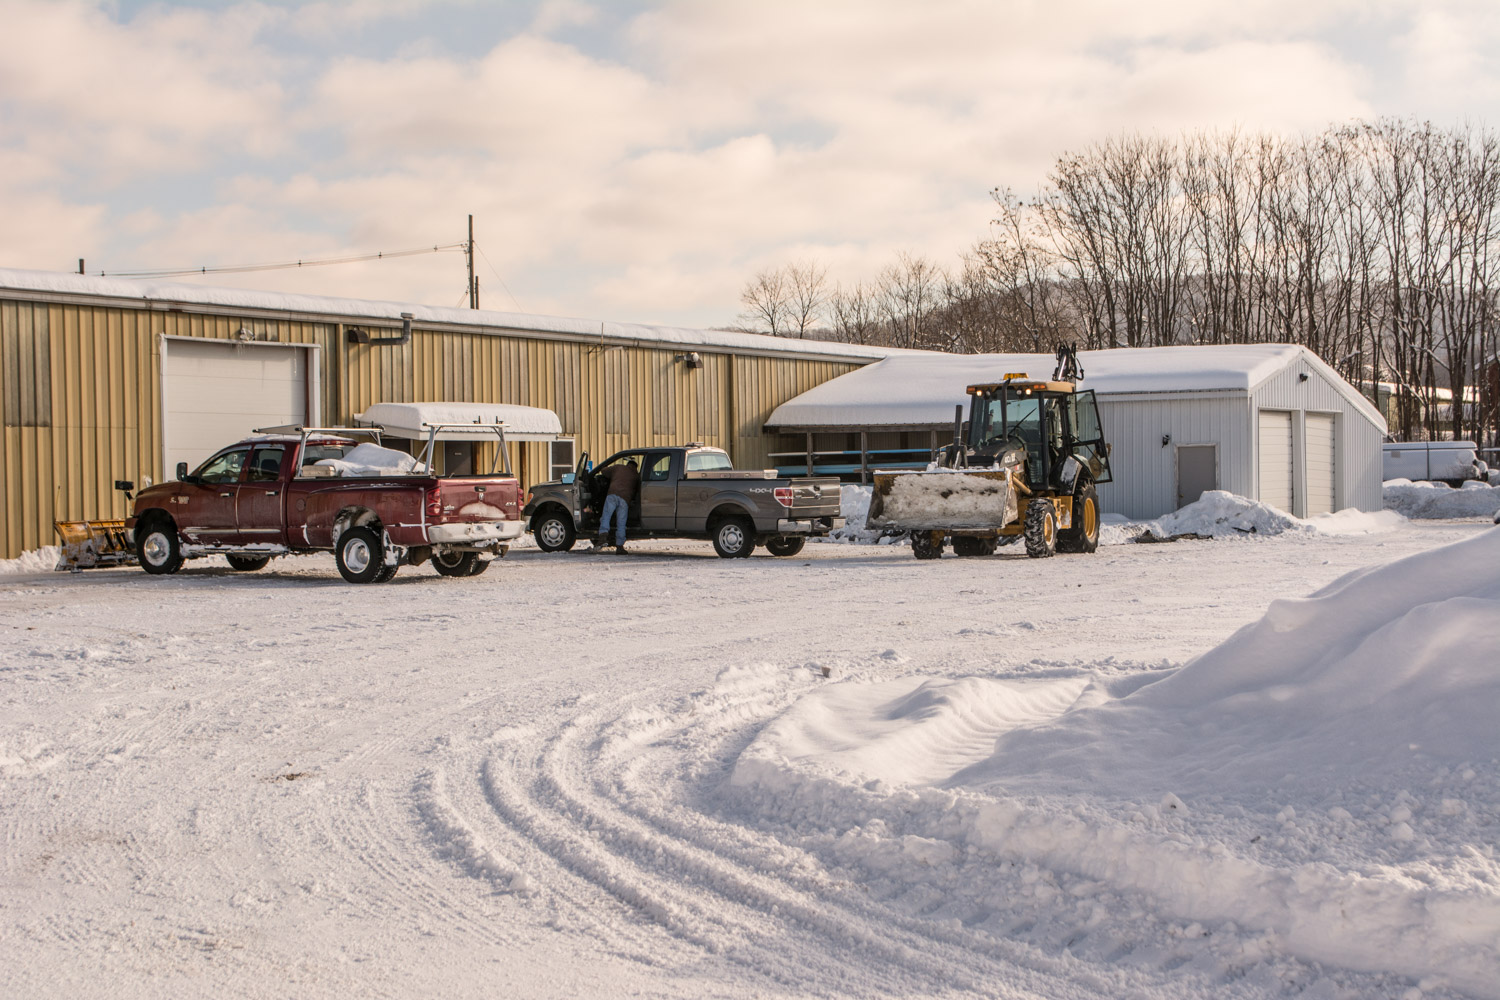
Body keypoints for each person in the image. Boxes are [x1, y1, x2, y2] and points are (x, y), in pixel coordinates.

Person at [596, 458, 639, 553]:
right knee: (621, 523)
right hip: (625, 499)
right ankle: (619, 546)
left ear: (627, 464)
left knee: (606, 516)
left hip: (612, 495)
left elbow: (603, 471)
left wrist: (604, 465)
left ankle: (603, 536)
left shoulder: (618, 467)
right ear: (635, 468)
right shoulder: (635, 476)